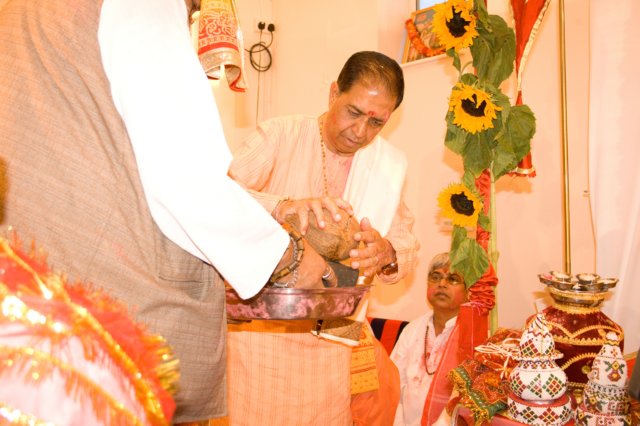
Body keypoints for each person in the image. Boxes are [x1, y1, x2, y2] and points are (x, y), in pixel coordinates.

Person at [0, 0, 333, 423]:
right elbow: (186, 174)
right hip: (108, 341)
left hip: (27, 314)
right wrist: (287, 258)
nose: (193, 13)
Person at [227, 51, 419, 425]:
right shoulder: (281, 135)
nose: (360, 131)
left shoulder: (383, 167)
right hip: (260, 340)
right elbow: (218, 195)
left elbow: (406, 241)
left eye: (376, 122)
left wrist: (386, 251)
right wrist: (281, 206)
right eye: (353, 112)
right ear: (333, 94)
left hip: (331, 346)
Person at [390, 252, 468, 426]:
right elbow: (393, 386)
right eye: (435, 277)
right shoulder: (412, 330)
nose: (442, 284)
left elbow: (466, 405)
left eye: (453, 279)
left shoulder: (471, 338)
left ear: (467, 292)